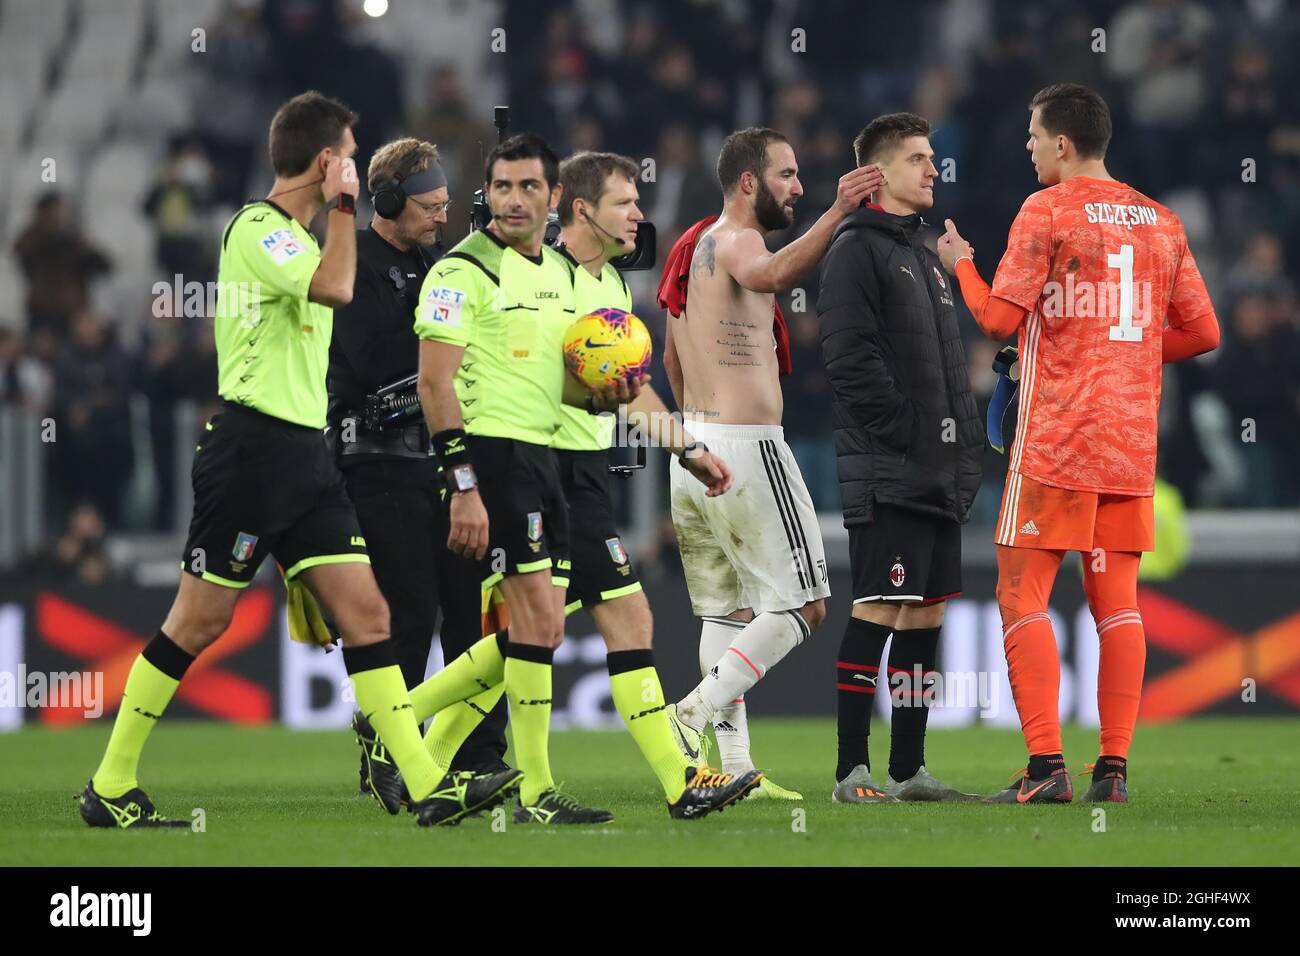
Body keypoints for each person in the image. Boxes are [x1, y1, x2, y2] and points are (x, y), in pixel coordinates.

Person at [78, 91, 491, 830]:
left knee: (369, 615)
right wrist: (341, 209)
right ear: (327, 160)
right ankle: (110, 783)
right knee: (198, 622)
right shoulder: (258, 230)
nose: (359, 171)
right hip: (251, 451)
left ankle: (428, 782)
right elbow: (336, 288)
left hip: (308, 456)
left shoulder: (301, 238)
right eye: (352, 155)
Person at [937, 83, 1220, 804]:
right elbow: (1204, 332)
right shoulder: (1160, 220)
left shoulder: (1047, 209)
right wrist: (1122, 350)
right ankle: (1114, 772)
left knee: (1020, 593)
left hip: (1058, 437)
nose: (1028, 148)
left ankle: (1046, 770)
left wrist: (960, 264)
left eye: (1034, 137)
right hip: (1128, 445)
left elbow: (1000, 322)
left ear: (1063, 143)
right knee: (1117, 603)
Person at [656, 127, 881, 799]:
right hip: (745, 448)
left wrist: (695, 429)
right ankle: (689, 712)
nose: (799, 187)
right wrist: (839, 212)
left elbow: (670, 358)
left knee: (725, 616)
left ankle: (734, 768)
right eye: (786, 174)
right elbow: (775, 273)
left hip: (692, 447)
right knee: (805, 603)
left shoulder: (688, 248)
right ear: (749, 182)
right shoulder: (738, 239)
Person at [549, 149, 761, 814]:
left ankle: (680, 781)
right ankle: (403, 729)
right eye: (624, 202)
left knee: (573, 626)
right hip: (530, 471)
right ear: (582, 209)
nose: (641, 213)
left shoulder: (611, 288)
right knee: (542, 633)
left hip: (583, 473)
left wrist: (689, 449)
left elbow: (629, 394)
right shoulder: (534, 278)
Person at [327, 137, 511, 805]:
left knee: (470, 611)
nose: (442, 216)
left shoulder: (443, 262)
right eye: (430, 206)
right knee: (407, 612)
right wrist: (446, 344)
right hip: (377, 463)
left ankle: (476, 756)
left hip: (441, 459)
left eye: (447, 205)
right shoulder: (352, 266)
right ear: (387, 201)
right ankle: (392, 756)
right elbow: (375, 364)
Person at [817, 112, 983, 804]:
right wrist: (909, 431)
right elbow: (849, 358)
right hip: (893, 466)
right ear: (878, 173)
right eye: (917, 158)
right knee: (882, 606)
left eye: (932, 157)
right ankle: (849, 770)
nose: (932, 168)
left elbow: (941, 366)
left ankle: (908, 770)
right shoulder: (856, 248)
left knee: (926, 613)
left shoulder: (923, 254)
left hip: (938, 472)